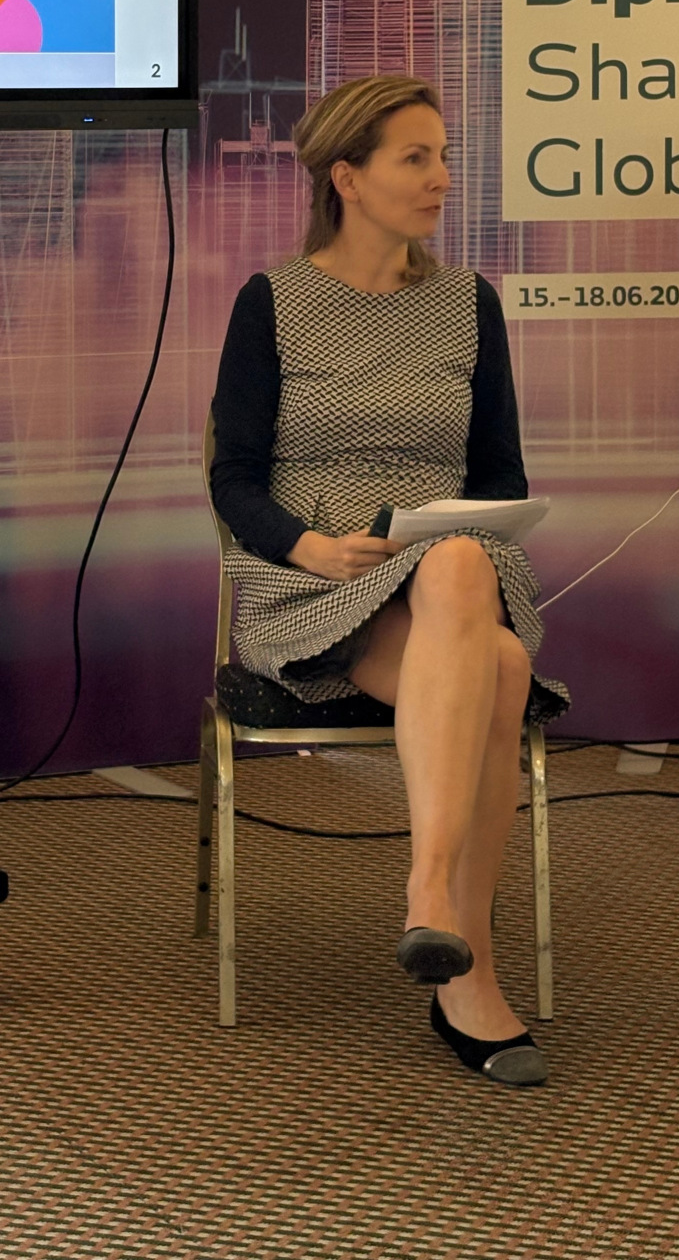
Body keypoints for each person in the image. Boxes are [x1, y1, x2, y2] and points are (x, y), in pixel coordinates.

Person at [210, 74, 568, 1089]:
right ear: (348, 178)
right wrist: (308, 547)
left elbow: (498, 474)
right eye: (416, 158)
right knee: (500, 672)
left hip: (451, 562)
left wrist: (445, 528)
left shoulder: (468, 303)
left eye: (443, 156)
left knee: (458, 566)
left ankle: (431, 897)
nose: (442, 177)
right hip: (317, 581)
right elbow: (234, 479)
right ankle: (467, 964)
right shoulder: (273, 301)